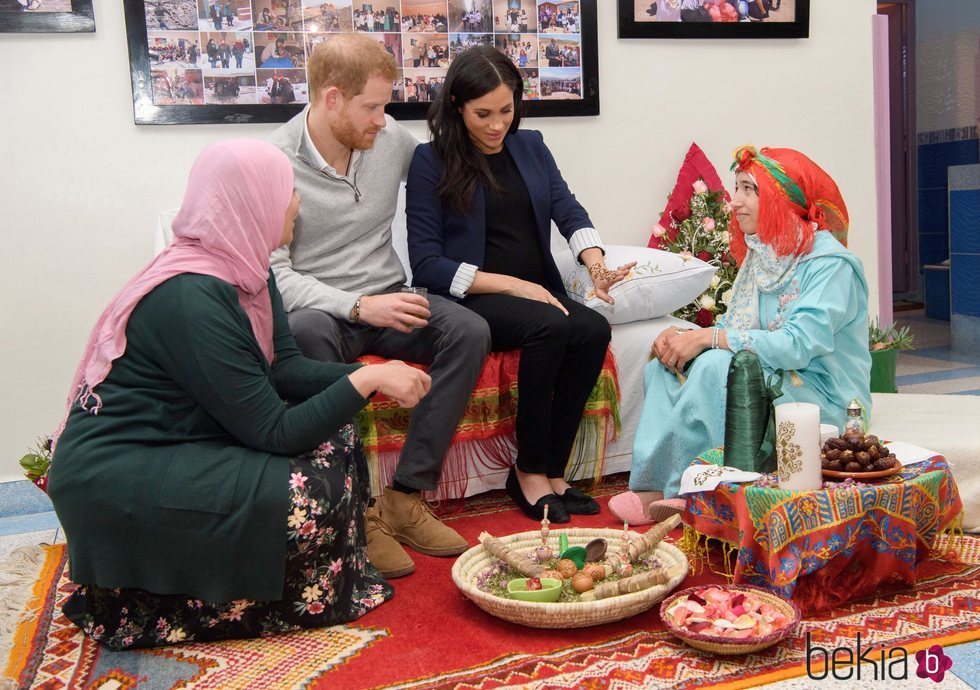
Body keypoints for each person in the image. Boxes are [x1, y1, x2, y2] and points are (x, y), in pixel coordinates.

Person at [46, 140, 433, 650]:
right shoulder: (191, 296)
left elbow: (286, 368)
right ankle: (242, 597)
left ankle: (336, 567)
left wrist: (368, 373)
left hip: (181, 437)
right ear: (251, 201)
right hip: (124, 471)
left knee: (336, 432)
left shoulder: (248, 268)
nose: (296, 203)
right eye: (286, 192)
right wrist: (366, 381)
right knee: (305, 491)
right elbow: (273, 431)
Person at [268, 33, 490, 579]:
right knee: (308, 337)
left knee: (469, 330)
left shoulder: (390, 140)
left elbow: (452, 166)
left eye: (385, 105)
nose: (382, 119)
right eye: (372, 106)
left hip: (392, 296)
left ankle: (406, 498)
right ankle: (357, 511)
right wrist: (358, 305)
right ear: (332, 98)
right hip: (323, 309)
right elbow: (274, 275)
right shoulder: (272, 162)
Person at [405, 46, 633, 523]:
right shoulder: (430, 161)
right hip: (472, 299)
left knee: (592, 329)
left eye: (506, 111)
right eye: (482, 114)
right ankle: (527, 472)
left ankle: (553, 469)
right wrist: (511, 285)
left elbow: (567, 208)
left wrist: (595, 262)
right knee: (550, 326)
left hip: (535, 292)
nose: (496, 125)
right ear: (456, 107)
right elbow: (426, 264)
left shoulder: (531, 147)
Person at [609, 146, 872, 525]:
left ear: (783, 199)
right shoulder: (764, 252)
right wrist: (682, 338)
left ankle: (704, 490)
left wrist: (708, 339)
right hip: (770, 374)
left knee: (718, 367)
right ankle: (656, 487)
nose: (735, 202)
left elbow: (797, 346)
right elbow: (737, 328)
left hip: (822, 397)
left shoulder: (830, 265)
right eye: (737, 188)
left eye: (750, 190)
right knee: (666, 365)